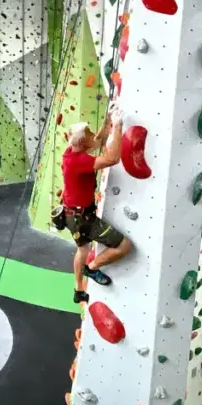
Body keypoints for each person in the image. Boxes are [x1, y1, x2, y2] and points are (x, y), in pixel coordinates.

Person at [60, 104, 133, 304]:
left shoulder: (70, 153)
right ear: (83, 142)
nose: (95, 135)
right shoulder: (80, 161)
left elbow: (98, 141)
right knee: (124, 246)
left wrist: (107, 120)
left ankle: (78, 290)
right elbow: (113, 158)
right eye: (90, 133)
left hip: (71, 215)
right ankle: (91, 268)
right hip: (84, 219)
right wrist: (117, 126)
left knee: (82, 249)